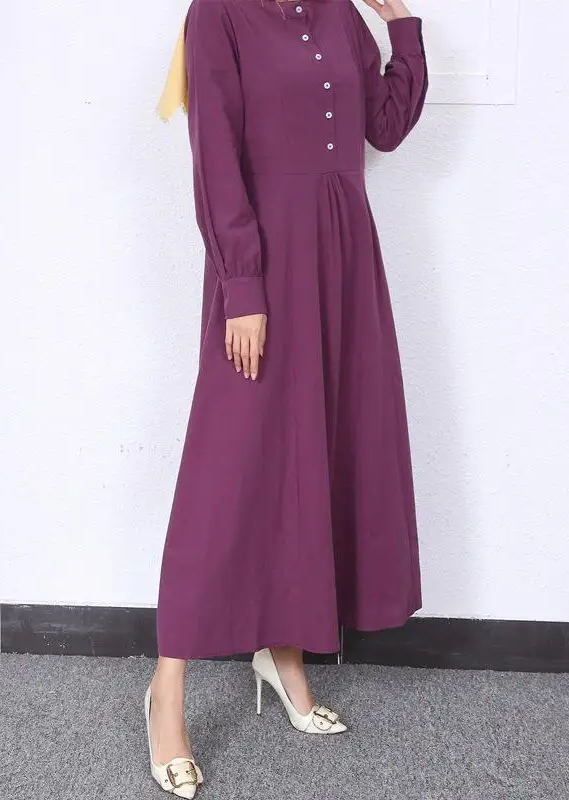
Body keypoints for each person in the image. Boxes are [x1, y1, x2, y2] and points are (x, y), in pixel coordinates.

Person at [145, 0, 427, 794]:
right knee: (228, 473)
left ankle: (285, 655)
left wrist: (402, 26)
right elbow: (215, 156)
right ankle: (167, 689)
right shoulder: (218, 15)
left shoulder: (339, 14)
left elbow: (386, 126)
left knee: (320, 453)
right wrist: (242, 286)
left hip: (344, 258)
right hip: (265, 265)